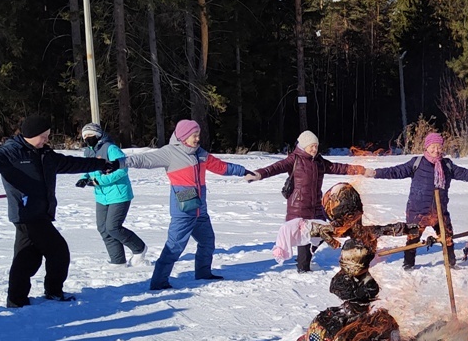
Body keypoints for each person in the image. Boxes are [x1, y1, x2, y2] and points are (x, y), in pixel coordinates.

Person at [0, 115, 116, 307]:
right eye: (43, 136)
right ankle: (52, 291)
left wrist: (100, 164)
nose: (46, 139)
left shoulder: (44, 154)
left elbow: (69, 163)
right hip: (27, 215)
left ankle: (16, 300)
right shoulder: (11, 154)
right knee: (58, 251)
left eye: (48, 135)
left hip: (39, 213)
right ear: (31, 134)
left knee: (27, 258)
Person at [119, 119, 255, 290]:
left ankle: (203, 273)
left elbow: (221, 167)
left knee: (207, 241)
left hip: (200, 209)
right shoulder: (170, 153)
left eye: (198, 135)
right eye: (194, 135)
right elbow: (143, 160)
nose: (198, 139)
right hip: (182, 211)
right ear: (184, 136)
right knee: (174, 247)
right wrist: (119, 163)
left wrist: (242, 171)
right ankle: (159, 282)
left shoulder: (201, 154)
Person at [367, 132, 468, 269]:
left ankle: (451, 263)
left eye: (439, 147)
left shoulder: (447, 166)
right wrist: (376, 173)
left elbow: (467, 174)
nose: (436, 150)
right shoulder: (417, 163)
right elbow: (396, 171)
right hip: (418, 212)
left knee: (447, 237)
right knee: (413, 238)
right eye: (433, 146)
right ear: (426, 147)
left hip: (439, 211)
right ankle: (408, 264)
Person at [248, 130, 367, 272]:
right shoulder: (295, 159)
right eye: (311, 146)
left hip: (316, 205)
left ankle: (303, 259)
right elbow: (276, 167)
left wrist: (358, 170)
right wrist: (259, 174)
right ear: (303, 146)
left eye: (316, 146)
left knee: (324, 231)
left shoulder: (319, 161)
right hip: (299, 205)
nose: (314, 149)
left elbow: (337, 167)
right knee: (305, 234)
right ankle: (303, 268)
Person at [76, 123, 147, 266]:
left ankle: (139, 248)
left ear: (98, 135)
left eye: (91, 136)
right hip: (101, 197)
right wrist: (85, 178)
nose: (89, 139)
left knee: (113, 227)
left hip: (119, 194)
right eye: (86, 137)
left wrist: (100, 181)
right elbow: (89, 169)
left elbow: (122, 169)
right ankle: (118, 261)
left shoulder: (111, 148)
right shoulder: (88, 152)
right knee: (103, 228)